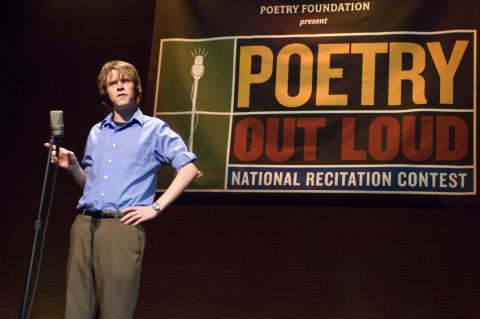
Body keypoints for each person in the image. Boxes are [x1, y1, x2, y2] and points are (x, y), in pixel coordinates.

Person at [45, 60, 199, 318]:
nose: (119, 86)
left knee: (115, 311)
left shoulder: (153, 130)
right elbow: (91, 185)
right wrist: (72, 166)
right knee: (76, 311)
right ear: (106, 91)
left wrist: (156, 208)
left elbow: (189, 168)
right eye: (113, 83)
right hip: (84, 226)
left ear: (135, 87)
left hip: (121, 228)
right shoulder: (97, 131)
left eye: (125, 81)